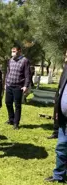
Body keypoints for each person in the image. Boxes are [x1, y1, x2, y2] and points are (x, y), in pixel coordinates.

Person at [45, 50, 67, 183]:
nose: (65, 56)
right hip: (64, 118)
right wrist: (57, 109)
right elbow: (60, 90)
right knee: (61, 147)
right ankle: (58, 175)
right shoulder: (66, 69)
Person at [4, 45, 31, 130]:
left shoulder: (25, 61)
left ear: (19, 51)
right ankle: (11, 119)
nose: (12, 53)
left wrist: (26, 85)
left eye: (14, 51)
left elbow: (27, 74)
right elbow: (8, 72)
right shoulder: (10, 60)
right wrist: (5, 83)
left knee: (17, 105)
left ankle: (16, 123)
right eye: (12, 51)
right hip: (9, 85)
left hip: (18, 86)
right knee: (8, 103)